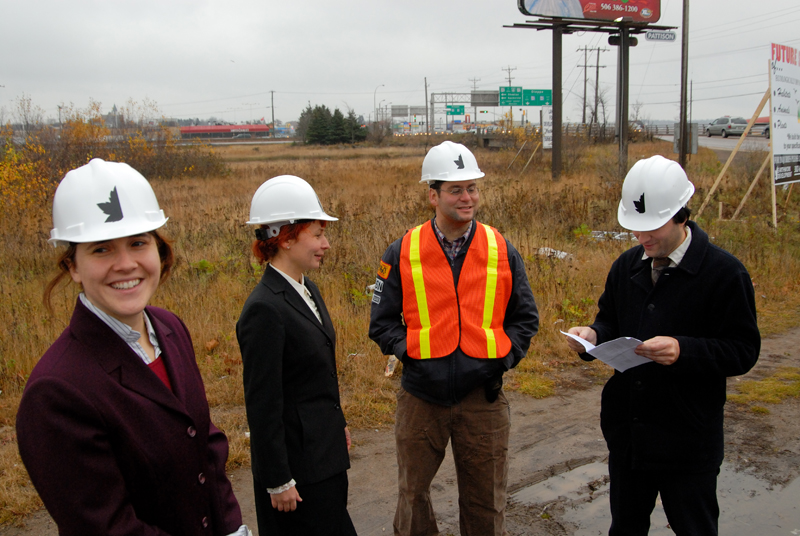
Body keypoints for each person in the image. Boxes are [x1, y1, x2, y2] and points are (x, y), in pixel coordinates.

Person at [16, 159, 248, 536]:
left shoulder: (169, 328)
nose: (126, 265)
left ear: (158, 249)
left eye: (138, 243)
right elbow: (105, 527)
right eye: (101, 250)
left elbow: (205, 443)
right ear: (72, 265)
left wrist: (232, 527)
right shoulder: (57, 391)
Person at [565, 155, 760, 536]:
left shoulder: (724, 273)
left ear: (682, 215)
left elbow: (742, 350)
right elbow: (610, 319)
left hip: (688, 440)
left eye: (652, 227)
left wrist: (683, 350)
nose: (643, 238)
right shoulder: (627, 265)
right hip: (630, 436)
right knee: (626, 528)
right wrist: (593, 336)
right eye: (636, 229)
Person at [369, 141, 540, 536]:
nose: (468, 198)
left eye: (473, 188)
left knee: (486, 502)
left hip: (484, 399)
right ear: (433, 195)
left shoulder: (500, 248)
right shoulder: (402, 251)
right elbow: (381, 323)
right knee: (411, 499)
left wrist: (501, 360)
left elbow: (525, 318)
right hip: (420, 399)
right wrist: (411, 355)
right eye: (456, 190)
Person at [237, 175, 357, 536]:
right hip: (298, 475)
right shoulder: (264, 309)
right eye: (318, 234)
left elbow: (316, 373)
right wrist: (277, 480)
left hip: (324, 456)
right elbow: (263, 403)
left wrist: (338, 423)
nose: (326, 244)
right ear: (286, 238)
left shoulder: (307, 288)